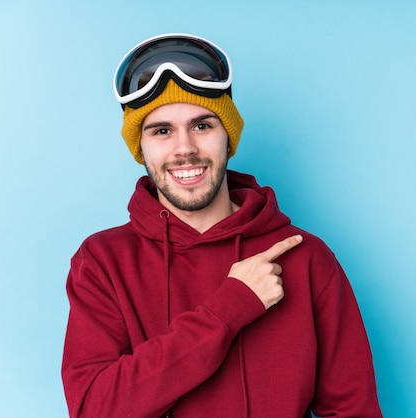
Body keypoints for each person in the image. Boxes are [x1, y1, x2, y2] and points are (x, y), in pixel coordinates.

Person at [61, 33, 383, 418]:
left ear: (228, 137)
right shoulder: (103, 262)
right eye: (162, 130)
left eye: (202, 126)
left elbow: (353, 410)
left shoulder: (306, 257)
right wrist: (230, 308)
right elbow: (95, 409)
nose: (185, 148)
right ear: (140, 148)